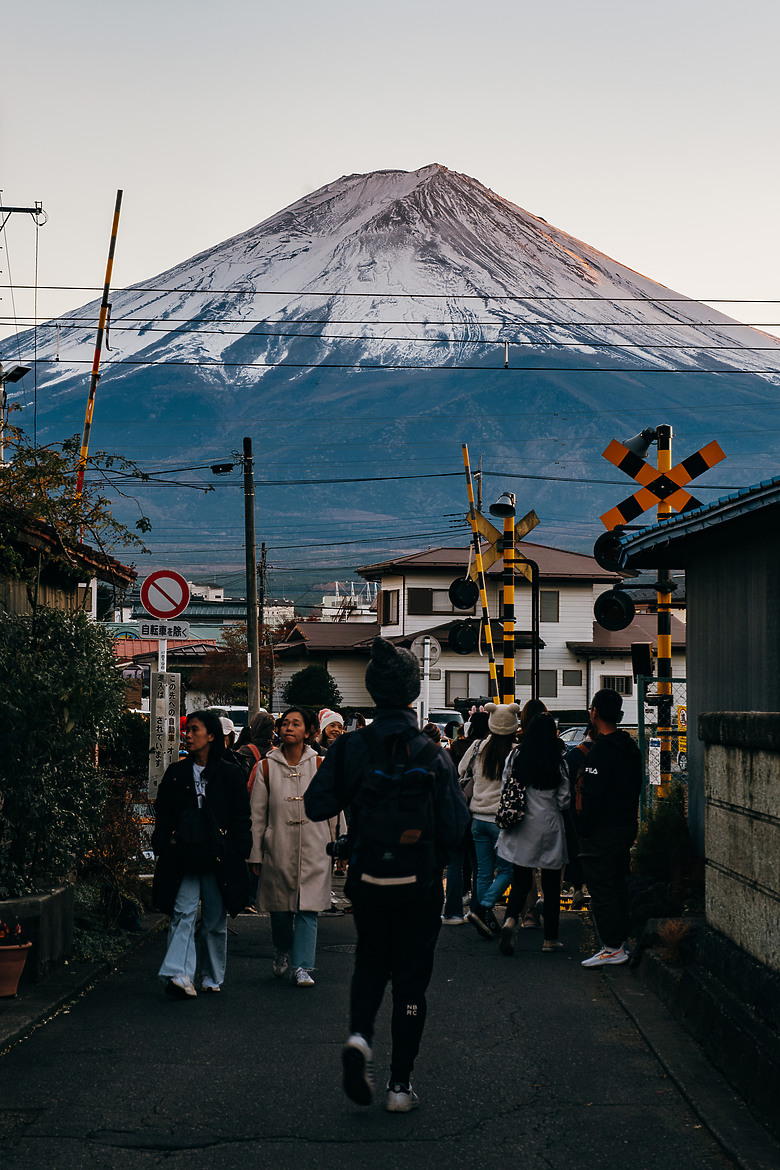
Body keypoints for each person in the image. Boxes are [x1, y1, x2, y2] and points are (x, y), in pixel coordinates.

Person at [304, 636, 469, 1113]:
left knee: (371, 962)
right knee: (412, 981)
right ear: (414, 693)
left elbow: (317, 805)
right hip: (418, 883)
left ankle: (359, 1037)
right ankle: (400, 1084)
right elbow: (457, 829)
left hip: (368, 875)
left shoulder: (352, 747)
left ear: (373, 692)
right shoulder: (432, 753)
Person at [151, 709, 251, 997]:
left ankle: (211, 974)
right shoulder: (176, 772)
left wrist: (239, 849)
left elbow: (241, 816)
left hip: (219, 853)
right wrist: (162, 843)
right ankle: (180, 975)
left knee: (214, 919)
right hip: (185, 853)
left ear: (211, 735)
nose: (188, 735)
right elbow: (165, 813)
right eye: (188, 730)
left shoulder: (230, 772)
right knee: (182, 911)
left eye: (194, 730)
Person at [249, 707, 335, 987]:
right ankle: (282, 948)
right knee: (281, 910)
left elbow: (334, 809)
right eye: (285, 723)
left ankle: (302, 967)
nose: (288, 728)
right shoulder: (266, 766)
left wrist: (339, 846)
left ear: (309, 731)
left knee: (309, 908)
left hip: (316, 845)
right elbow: (257, 814)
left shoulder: (321, 764)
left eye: (296, 724)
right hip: (279, 847)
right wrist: (255, 852)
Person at [579, 688, 643, 968]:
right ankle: (622, 941)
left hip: (602, 830)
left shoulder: (600, 751)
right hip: (626, 823)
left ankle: (612, 947)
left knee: (603, 887)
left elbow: (592, 797)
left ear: (594, 712)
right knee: (619, 882)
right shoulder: (630, 748)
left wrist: (584, 829)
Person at [497, 712, 570, 955]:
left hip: (522, 824)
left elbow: (505, 785)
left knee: (521, 879)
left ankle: (510, 920)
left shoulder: (516, 755)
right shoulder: (558, 759)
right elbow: (564, 799)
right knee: (551, 888)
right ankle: (550, 939)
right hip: (549, 826)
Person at [459, 702, 520, 940]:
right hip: (502, 822)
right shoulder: (516, 751)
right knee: (508, 870)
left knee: (483, 872)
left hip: (477, 819)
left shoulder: (477, 747)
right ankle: (484, 906)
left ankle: (484, 917)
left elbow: (461, 771)